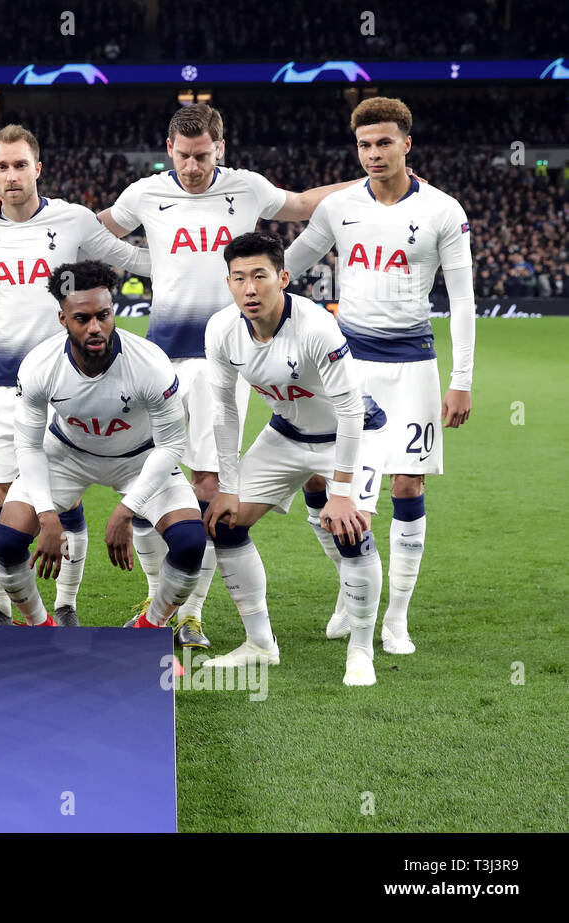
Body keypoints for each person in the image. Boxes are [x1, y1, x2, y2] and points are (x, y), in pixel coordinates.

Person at [97, 103, 363, 650]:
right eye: (184, 156)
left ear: (220, 148)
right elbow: (94, 229)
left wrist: (369, 179)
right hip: (160, 359)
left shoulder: (247, 188)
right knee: (150, 485)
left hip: (225, 360)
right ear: (168, 148)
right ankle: (158, 600)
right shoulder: (144, 194)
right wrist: (19, 206)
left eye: (203, 156)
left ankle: (190, 614)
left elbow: (306, 203)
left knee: (208, 488)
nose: (193, 167)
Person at [285, 97, 474, 655]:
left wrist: (461, 378)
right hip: (347, 366)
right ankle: (351, 589)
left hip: (413, 365)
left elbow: (462, 300)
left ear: (406, 144)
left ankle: (395, 616)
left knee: (407, 486)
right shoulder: (338, 208)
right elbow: (285, 268)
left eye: (384, 142)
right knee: (325, 483)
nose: (373, 154)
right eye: (364, 145)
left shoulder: (443, 210)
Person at [0, 124, 153, 627]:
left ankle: (64, 605)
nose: (11, 175)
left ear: (37, 168)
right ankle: (0, 606)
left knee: (63, 496)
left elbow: (131, 259)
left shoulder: (74, 221)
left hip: (63, 386)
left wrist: (203, 267)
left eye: (20, 165)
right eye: (1, 166)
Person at [202, 233, 387, 686]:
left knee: (350, 528)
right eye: (239, 278)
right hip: (286, 434)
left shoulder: (316, 327)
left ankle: (361, 649)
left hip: (353, 434)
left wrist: (341, 493)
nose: (250, 288)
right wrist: (227, 486)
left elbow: (349, 411)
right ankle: (260, 644)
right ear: (228, 282)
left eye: (260, 276)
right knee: (224, 523)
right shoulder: (221, 330)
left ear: (283, 278)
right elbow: (225, 410)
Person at [0, 261, 207, 631]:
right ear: (63, 318)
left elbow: (172, 444)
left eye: (103, 315)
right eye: (82, 318)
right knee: (8, 541)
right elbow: (28, 446)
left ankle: (150, 627)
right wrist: (47, 515)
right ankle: (41, 628)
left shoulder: (151, 364)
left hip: (140, 458)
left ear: (113, 312)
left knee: (190, 543)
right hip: (67, 456)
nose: (95, 327)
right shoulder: (38, 366)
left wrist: (127, 510)